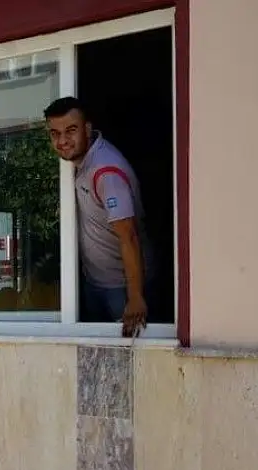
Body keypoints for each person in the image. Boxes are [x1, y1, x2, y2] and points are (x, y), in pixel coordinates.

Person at [44, 96, 156, 336]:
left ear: (87, 129)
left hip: (122, 288)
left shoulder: (106, 172)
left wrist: (135, 297)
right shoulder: (79, 162)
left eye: (70, 131)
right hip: (93, 281)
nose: (62, 141)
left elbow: (129, 237)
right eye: (55, 133)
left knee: (126, 358)